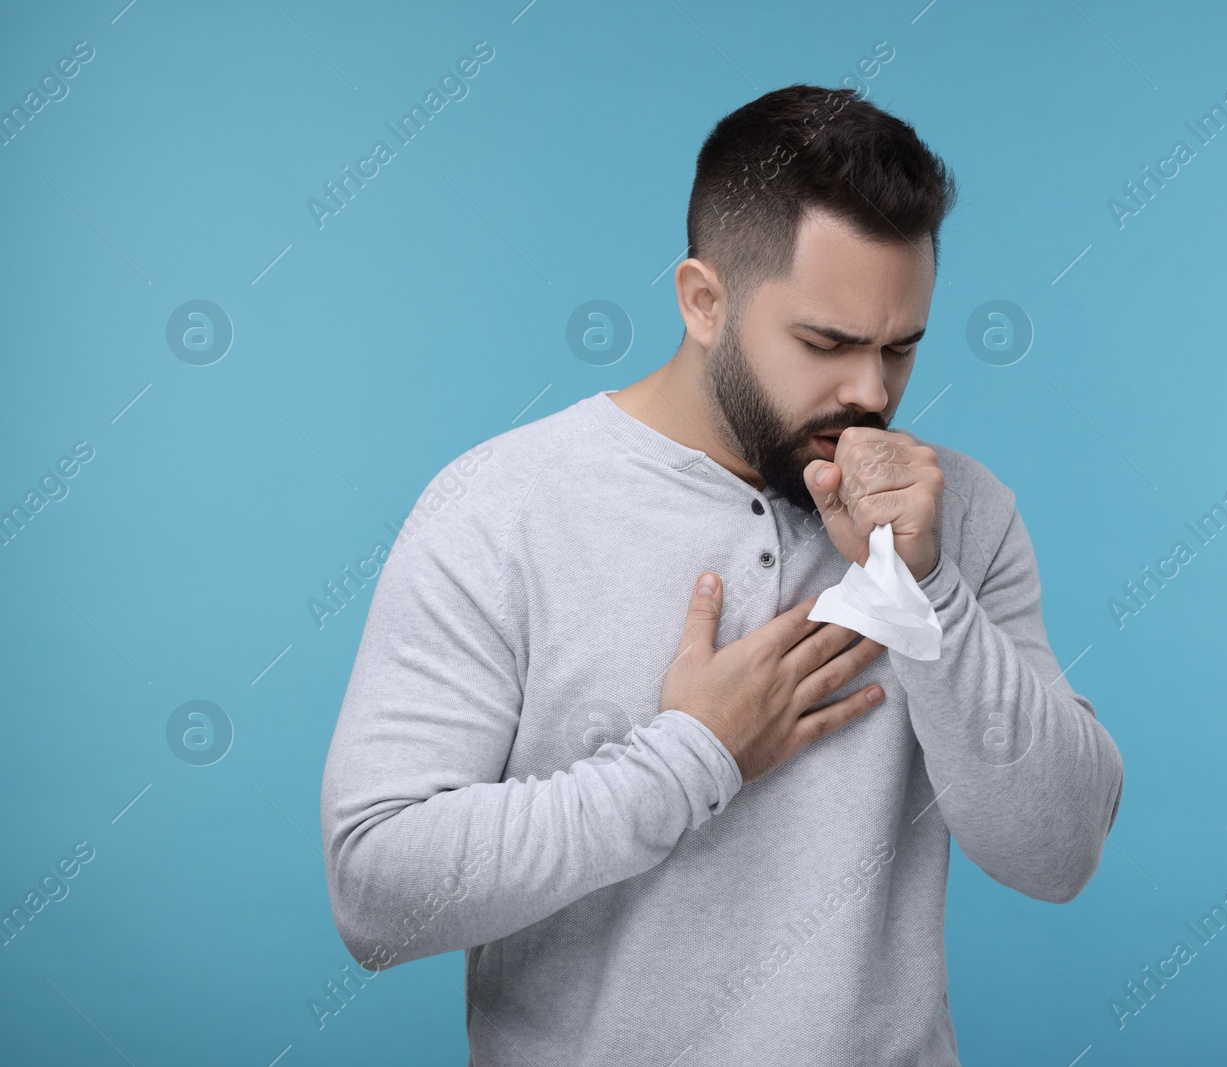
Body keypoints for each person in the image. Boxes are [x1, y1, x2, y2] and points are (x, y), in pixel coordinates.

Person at [320, 82, 1123, 1066]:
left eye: (901, 346)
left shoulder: (957, 510)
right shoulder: (496, 510)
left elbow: (1057, 851)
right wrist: (691, 755)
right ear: (703, 301)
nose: (871, 392)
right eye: (825, 343)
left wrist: (931, 595)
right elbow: (376, 896)